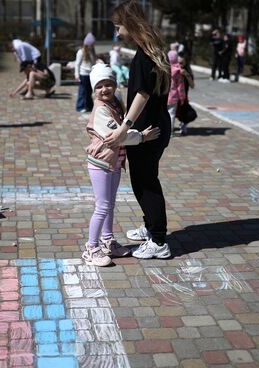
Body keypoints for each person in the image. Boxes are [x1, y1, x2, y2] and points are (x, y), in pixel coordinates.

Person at [105, 0, 172, 259]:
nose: (117, 32)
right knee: (145, 179)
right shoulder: (152, 51)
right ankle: (150, 226)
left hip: (148, 130)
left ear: (130, 25)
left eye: (118, 26)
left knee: (145, 184)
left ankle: (159, 241)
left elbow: (142, 94)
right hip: (155, 126)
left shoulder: (144, 55)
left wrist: (125, 128)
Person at [83, 63, 160, 266]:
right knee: (102, 207)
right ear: (94, 90)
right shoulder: (100, 110)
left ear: (115, 85)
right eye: (99, 86)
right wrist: (142, 137)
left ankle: (108, 242)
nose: (104, 89)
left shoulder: (115, 103)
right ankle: (91, 248)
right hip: (100, 164)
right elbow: (118, 136)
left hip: (114, 164)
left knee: (110, 205)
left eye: (108, 84)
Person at [75, 32, 98, 113]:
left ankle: (89, 106)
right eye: (90, 45)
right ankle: (80, 106)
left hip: (90, 75)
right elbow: (77, 64)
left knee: (89, 92)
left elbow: (93, 63)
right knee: (82, 91)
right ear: (87, 44)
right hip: (83, 75)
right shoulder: (81, 52)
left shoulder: (92, 52)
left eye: (93, 45)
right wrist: (77, 75)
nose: (92, 47)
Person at [167, 50, 186, 135]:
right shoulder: (178, 70)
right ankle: (170, 132)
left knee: (164, 114)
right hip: (174, 96)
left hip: (164, 95)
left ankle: (163, 130)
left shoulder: (165, 68)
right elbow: (180, 86)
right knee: (171, 114)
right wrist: (182, 97)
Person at [177, 51, 195, 135]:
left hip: (183, 99)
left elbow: (192, 85)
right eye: (178, 63)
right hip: (172, 99)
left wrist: (186, 75)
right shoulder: (173, 70)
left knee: (191, 114)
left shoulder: (187, 71)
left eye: (181, 63)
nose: (179, 65)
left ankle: (183, 124)